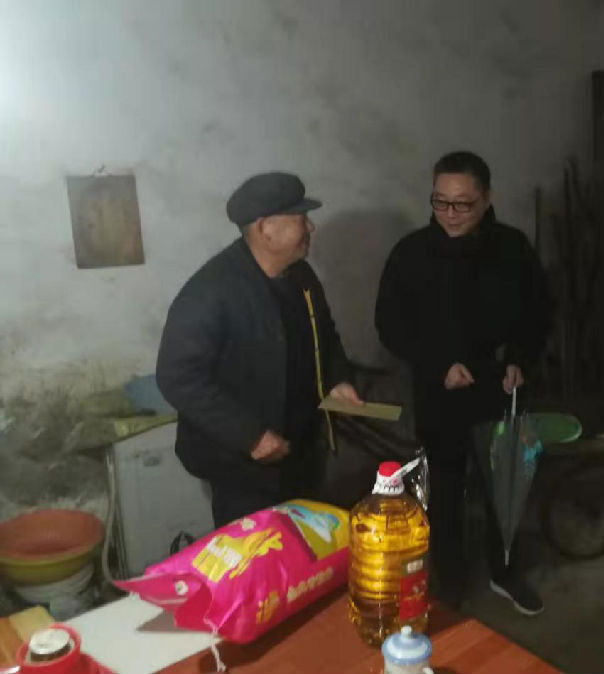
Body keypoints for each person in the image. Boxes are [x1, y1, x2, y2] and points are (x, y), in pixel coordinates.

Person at [375, 151, 551, 615]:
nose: (450, 214)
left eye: (463, 204)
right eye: (440, 202)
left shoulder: (512, 248)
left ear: (487, 199)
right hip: (442, 393)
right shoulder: (411, 253)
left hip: (501, 387)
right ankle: (450, 580)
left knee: (505, 488)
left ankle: (505, 572)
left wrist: (521, 360)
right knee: (446, 493)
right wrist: (438, 366)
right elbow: (390, 325)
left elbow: (539, 312)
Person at [157, 172, 362, 527]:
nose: (310, 227)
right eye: (300, 218)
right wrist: (250, 436)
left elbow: (324, 336)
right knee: (255, 554)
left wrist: (337, 379)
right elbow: (177, 377)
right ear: (265, 228)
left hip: (300, 452)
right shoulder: (211, 291)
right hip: (243, 468)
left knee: (306, 549)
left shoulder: (301, 277)